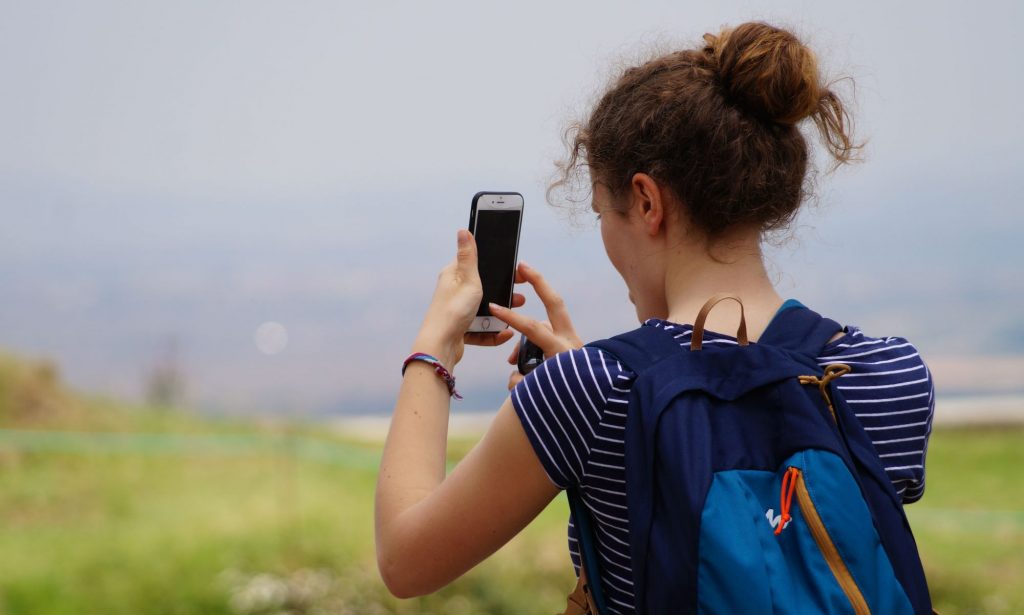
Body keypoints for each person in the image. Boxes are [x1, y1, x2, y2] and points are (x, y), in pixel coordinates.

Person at [375, 21, 934, 614]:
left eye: (601, 213)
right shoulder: (890, 374)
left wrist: (435, 348)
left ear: (646, 202)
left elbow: (406, 560)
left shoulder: (586, 392)